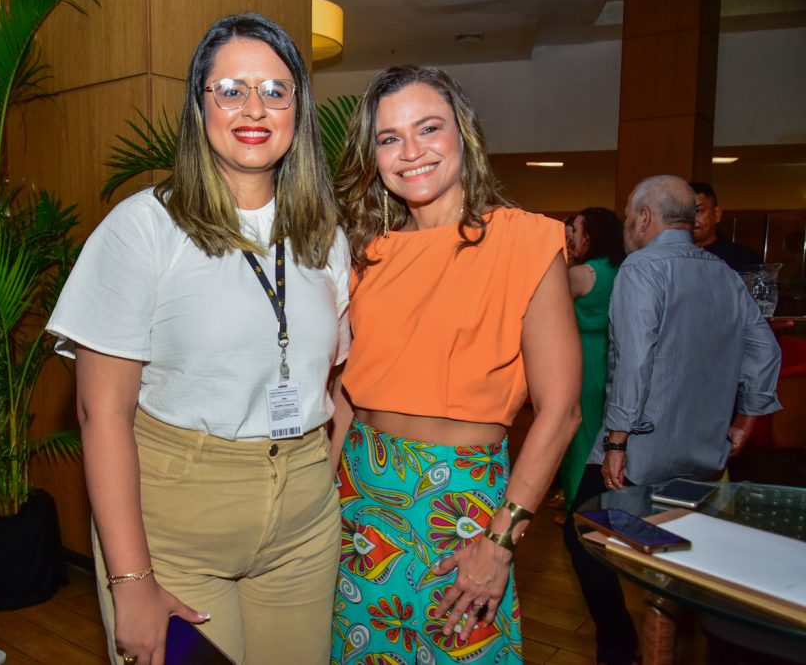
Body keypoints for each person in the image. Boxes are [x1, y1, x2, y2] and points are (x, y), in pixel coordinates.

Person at [46, 13, 349, 665]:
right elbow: (101, 412)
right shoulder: (143, 228)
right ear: (199, 104)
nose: (254, 108)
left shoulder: (327, 237)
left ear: (298, 107)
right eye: (230, 88)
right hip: (177, 516)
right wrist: (129, 581)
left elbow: (339, 377)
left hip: (303, 517)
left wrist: (315, 475)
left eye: (275, 90)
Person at [329, 65, 582, 664]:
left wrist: (499, 543)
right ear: (374, 156)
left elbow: (562, 411)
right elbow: (346, 395)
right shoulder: (367, 254)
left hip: (465, 510)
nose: (410, 151)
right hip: (360, 500)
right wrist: (319, 496)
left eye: (428, 128)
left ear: (463, 136)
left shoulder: (526, 241)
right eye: (389, 138)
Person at [564, 175, 782, 665]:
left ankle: (620, 648)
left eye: (627, 216)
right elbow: (764, 349)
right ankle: (667, 631)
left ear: (645, 218)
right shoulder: (723, 272)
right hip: (703, 452)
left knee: (583, 536)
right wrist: (748, 416)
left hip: (641, 450)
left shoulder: (641, 268)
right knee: (670, 544)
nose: (625, 226)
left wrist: (617, 440)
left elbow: (635, 360)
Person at [557, 207, 625, 510]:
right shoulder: (621, 269)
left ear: (591, 235)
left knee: (578, 442)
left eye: (577, 231)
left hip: (580, 360)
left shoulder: (581, 273)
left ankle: (577, 508)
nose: (573, 237)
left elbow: (546, 310)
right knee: (599, 435)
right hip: (609, 356)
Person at [689, 181, 762, 271]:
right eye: (683, 213)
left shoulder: (746, 260)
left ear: (717, 214)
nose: (691, 219)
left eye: (698, 211)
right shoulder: (670, 258)